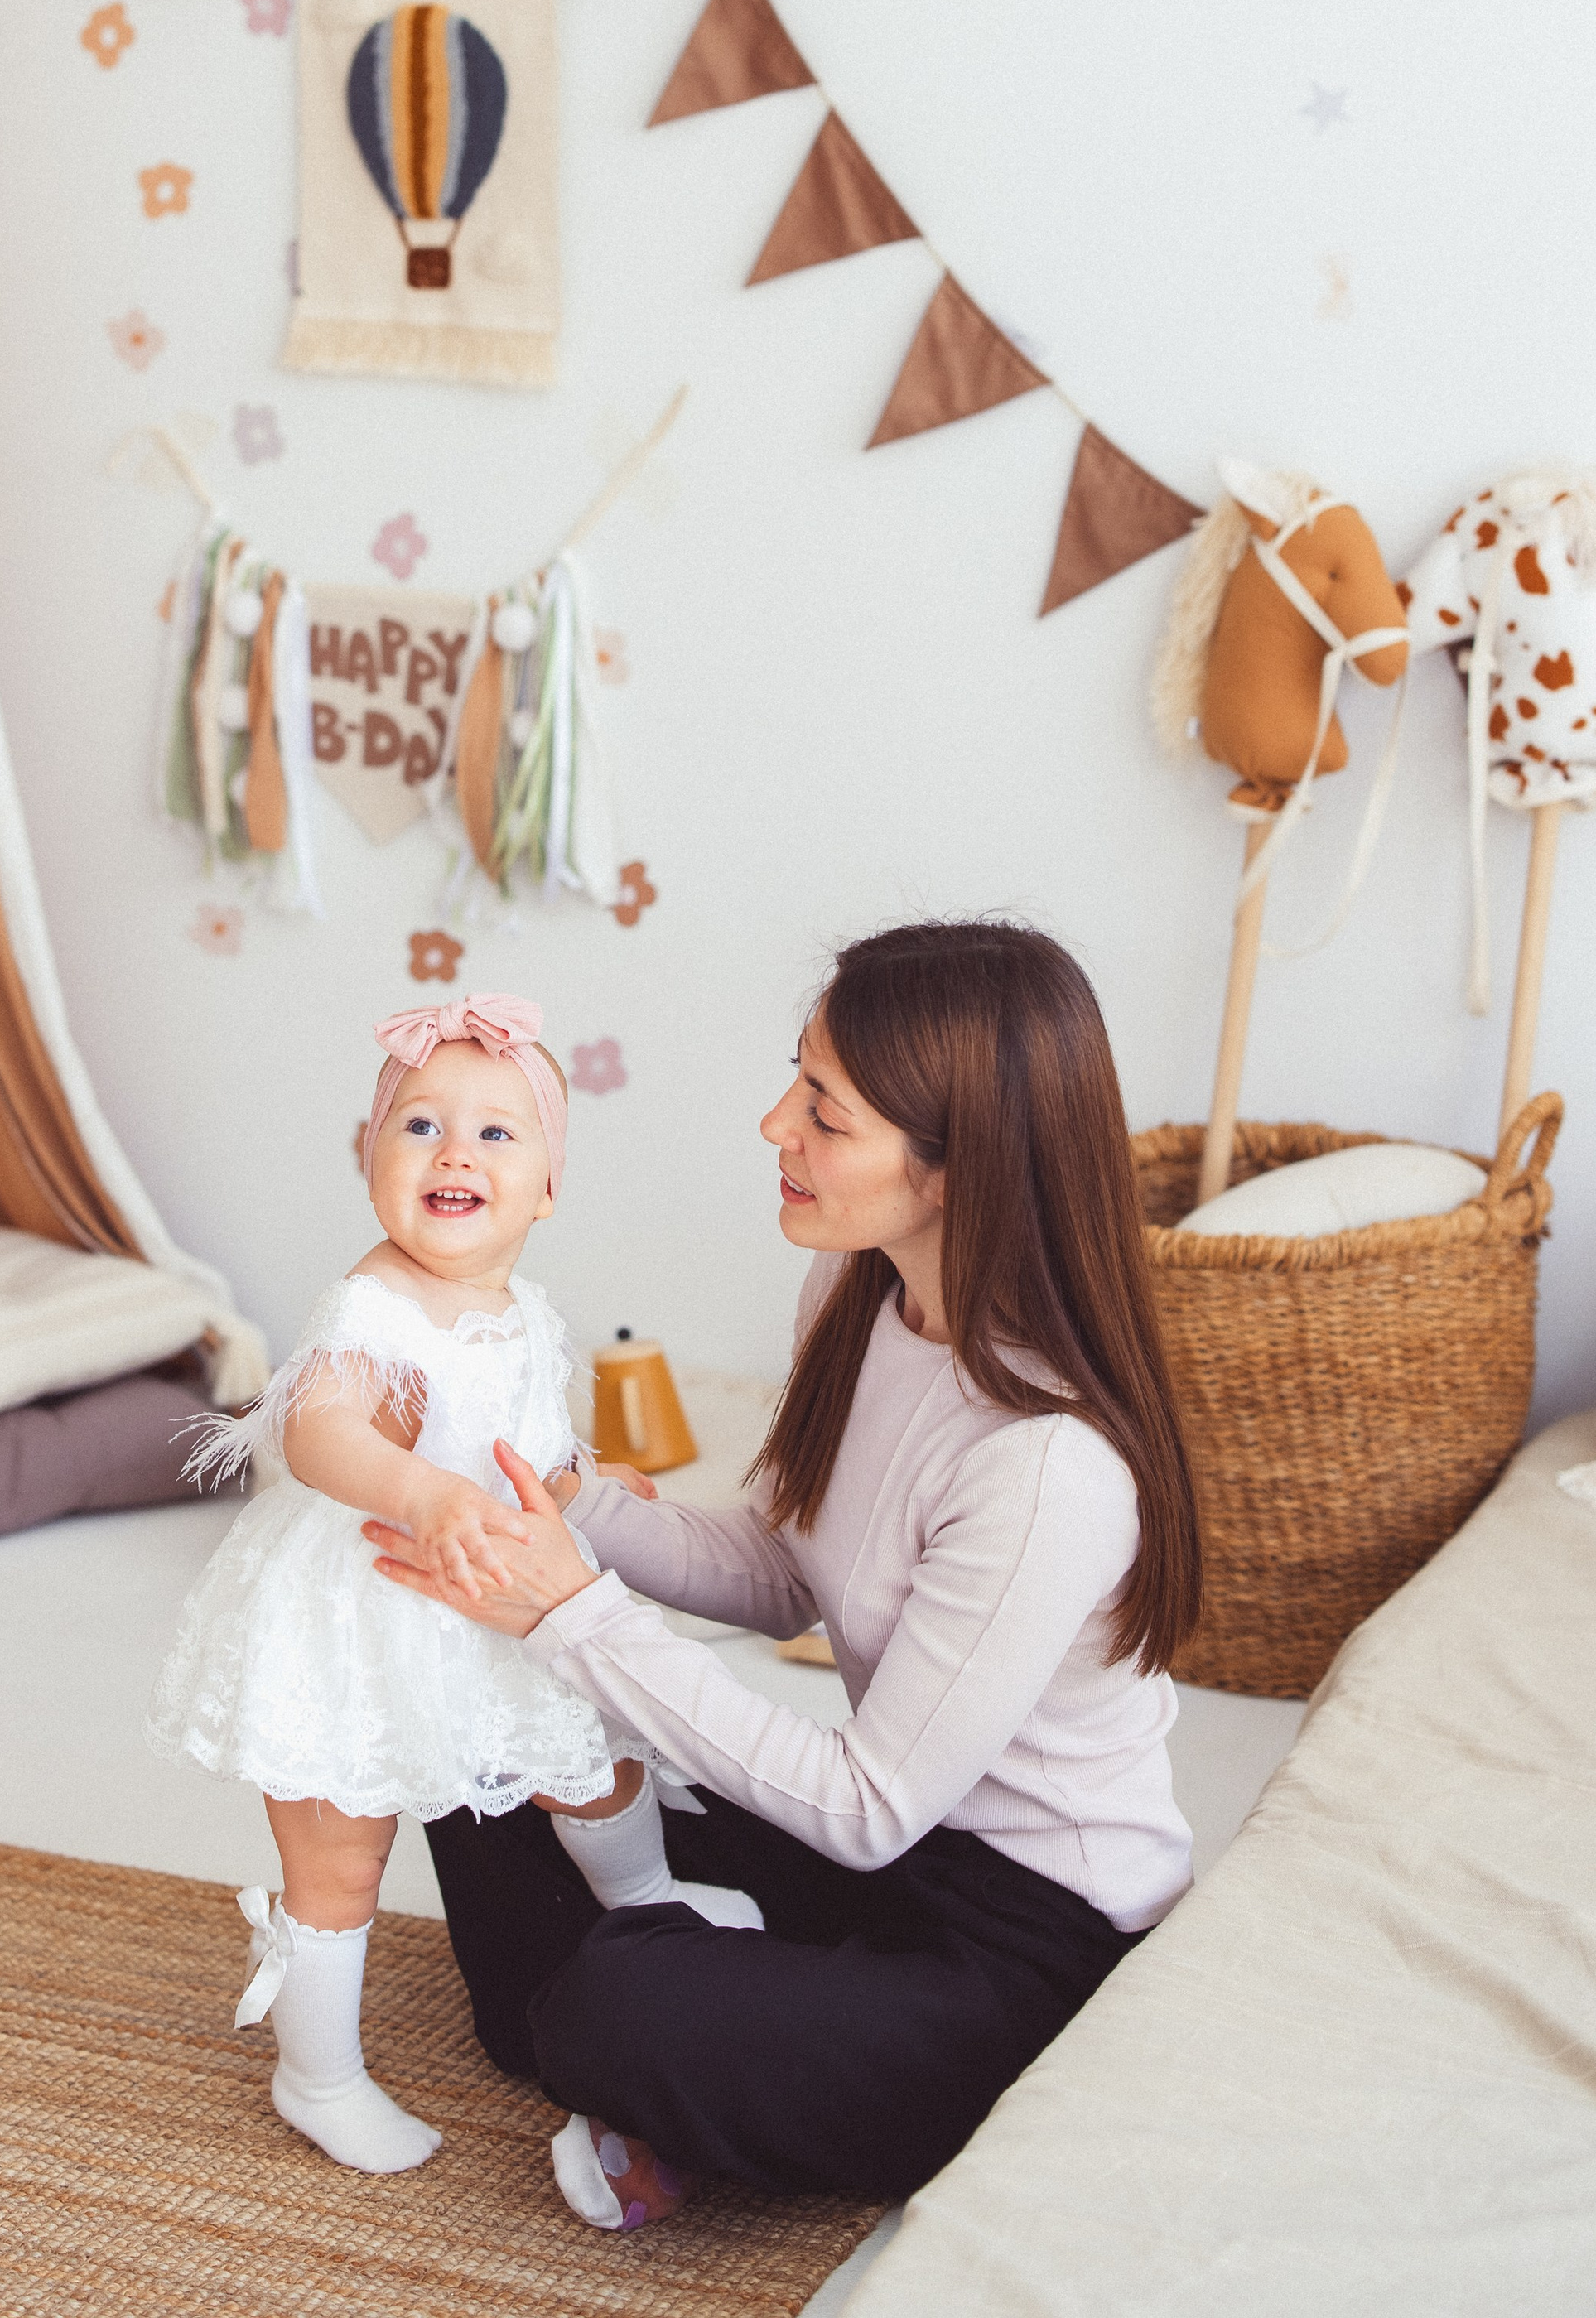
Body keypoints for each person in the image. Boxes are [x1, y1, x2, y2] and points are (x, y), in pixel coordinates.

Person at [368, 919, 1203, 2232]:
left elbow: (871, 1802)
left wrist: (573, 1614)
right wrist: (571, 1494)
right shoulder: (858, 1292)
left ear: (951, 1166)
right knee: (482, 1771)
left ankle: (676, 2030)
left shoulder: (1047, 1466)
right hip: (891, 1873)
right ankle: (699, 2030)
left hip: (1030, 1942)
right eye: (795, 1081)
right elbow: (781, 1571)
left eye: (826, 1109)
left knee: (606, 2001)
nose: (775, 1125)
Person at [145, 991, 749, 2177]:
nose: (454, 1151)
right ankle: (318, 2073)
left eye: (494, 1133)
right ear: (371, 1157)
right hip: (364, 1606)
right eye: (418, 1125)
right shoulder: (369, 1303)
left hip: (497, 1593)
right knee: (341, 1850)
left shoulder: (527, 1310)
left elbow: (529, 1438)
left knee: (599, 1755)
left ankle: (653, 1905)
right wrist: (420, 1492)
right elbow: (318, 1429)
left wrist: (589, 1480)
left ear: (548, 1187)